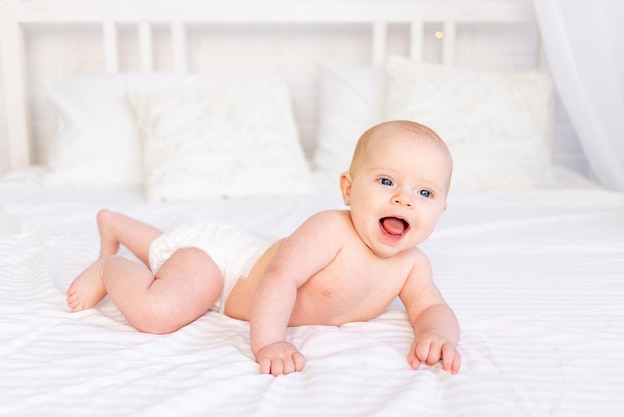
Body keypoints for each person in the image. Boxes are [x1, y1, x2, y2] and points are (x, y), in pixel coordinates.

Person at [66, 120, 461, 376]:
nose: (404, 200)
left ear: (440, 210)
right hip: (224, 268)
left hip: (232, 257)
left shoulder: (411, 265)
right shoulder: (330, 229)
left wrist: (438, 335)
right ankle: (107, 268)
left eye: (424, 192)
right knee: (161, 309)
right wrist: (269, 340)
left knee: (164, 254)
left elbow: (431, 308)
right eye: (387, 182)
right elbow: (280, 276)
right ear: (348, 188)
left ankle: (115, 223)